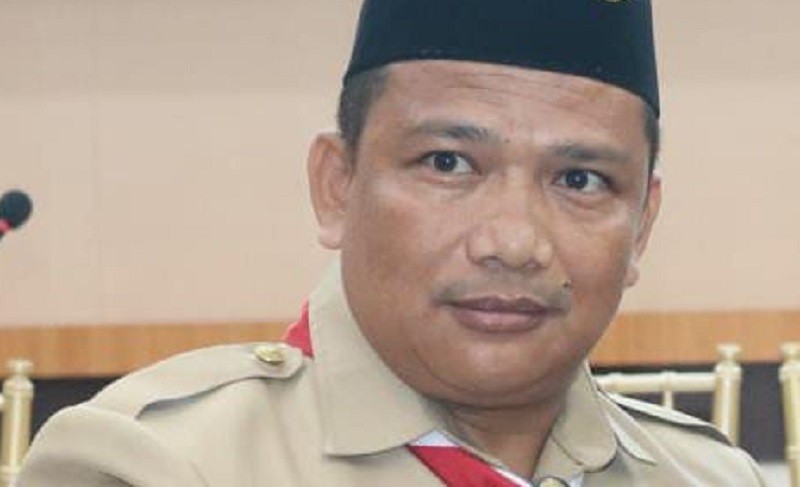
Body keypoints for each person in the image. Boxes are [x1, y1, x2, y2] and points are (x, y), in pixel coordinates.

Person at [18, 0, 764, 485]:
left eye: (580, 179)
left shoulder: (709, 476)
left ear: (642, 226)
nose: (513, 241)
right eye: (448, 163)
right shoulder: (159, 465)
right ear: (337, 185)